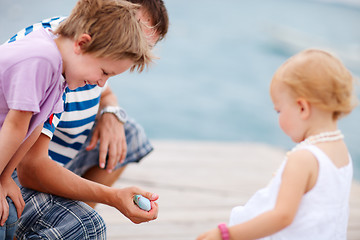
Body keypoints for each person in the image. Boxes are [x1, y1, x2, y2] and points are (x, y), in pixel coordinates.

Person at [8, 0, 169, 239]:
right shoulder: (53, 61)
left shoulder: (89, 51)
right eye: (136, 35)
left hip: (48, 157)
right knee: (86, 225)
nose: (137, 50)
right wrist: (112, 197)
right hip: (14, 165)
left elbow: (105, 91)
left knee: (127, 134)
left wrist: (111, 112)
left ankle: (65, 217)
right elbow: (29, 167)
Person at [197, 49, 358, 240]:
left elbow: (282, 216)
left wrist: (226, 234)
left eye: (279, 110)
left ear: (302, 108)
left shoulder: (303, 158)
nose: (279, 117)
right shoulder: (341, 152)